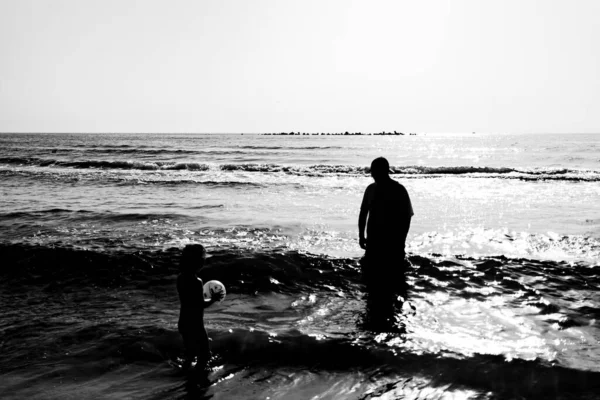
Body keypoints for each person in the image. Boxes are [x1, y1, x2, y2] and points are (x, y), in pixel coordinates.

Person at [358, 157, 414, 330]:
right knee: (372, 284)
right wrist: (361, 235)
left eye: (375, 171)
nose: (373, 174)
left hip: (392, 243)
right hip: (373, 242)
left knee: (394, 282)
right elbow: (363, 213)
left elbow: (407, 216)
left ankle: (396, 314)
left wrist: (401, 241)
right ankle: (376, 315)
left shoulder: (398, 190)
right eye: (372, 171)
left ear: (384, 171)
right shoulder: (371, 189)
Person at [177, 244, 223, 370]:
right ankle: (198, 378)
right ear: (197, 262)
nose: (204, 261)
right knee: (205, 355)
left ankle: (186, 374)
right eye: (202, 259)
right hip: (195, 325)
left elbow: (190, 302)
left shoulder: (180, 278)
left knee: (190, 354)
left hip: (183, 322)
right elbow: (200, 305)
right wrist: (213, 299)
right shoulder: (197, 282)